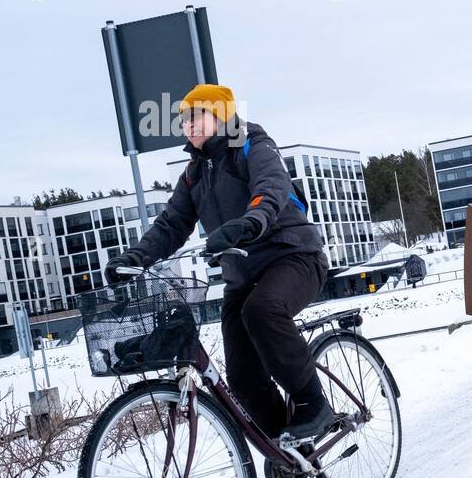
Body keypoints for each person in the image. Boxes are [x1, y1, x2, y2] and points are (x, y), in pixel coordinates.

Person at [103, 84, 333, 442]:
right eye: (183, 119)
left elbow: (270, 188)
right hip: (242, 275)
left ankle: (313, 403)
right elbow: (172, 224)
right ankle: (284, 448)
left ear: (221, 115)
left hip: (293, 256)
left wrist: (251, 220)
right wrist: (135, 257)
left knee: (262, 310)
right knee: (240, 377)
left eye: (197, 116)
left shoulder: (254, 145)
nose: (188, 125)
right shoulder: (194, 173)